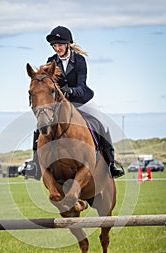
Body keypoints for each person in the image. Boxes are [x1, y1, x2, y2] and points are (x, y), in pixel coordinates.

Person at [24, 26, 124, 180]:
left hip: (82, 101)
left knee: (102, 124)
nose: (57, 48)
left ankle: (111, 164)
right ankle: (35, 164)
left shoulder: (79, 60)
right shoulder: (51, 62)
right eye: (55, 46)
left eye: (60, 45)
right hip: (61, 104)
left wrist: (69, 91)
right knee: (41, 126)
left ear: (68, 44)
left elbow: (82, 87)